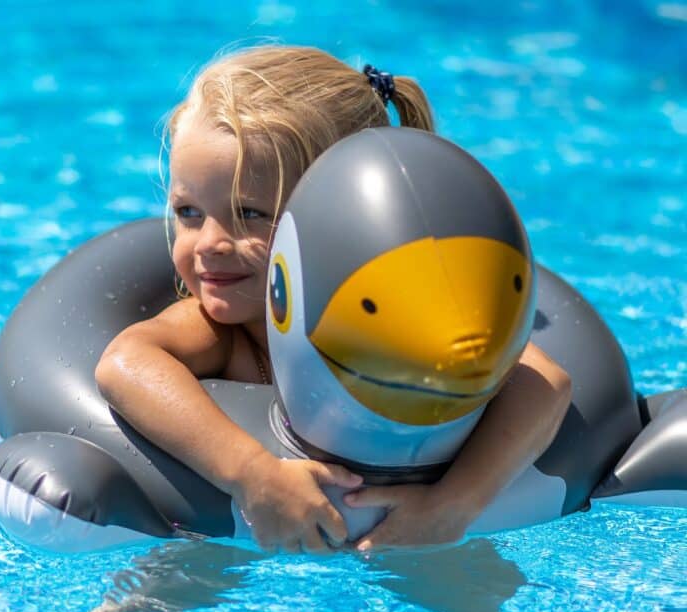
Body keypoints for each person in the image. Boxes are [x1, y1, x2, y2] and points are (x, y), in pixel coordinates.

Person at [94, 46, 572, 554]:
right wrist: (253, 474)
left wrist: (456, 504)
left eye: (250, 213)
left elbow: (546, 383)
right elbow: (124, 363)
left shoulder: (399, 328)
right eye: (188, 212)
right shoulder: (218, 330)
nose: (209, 242)